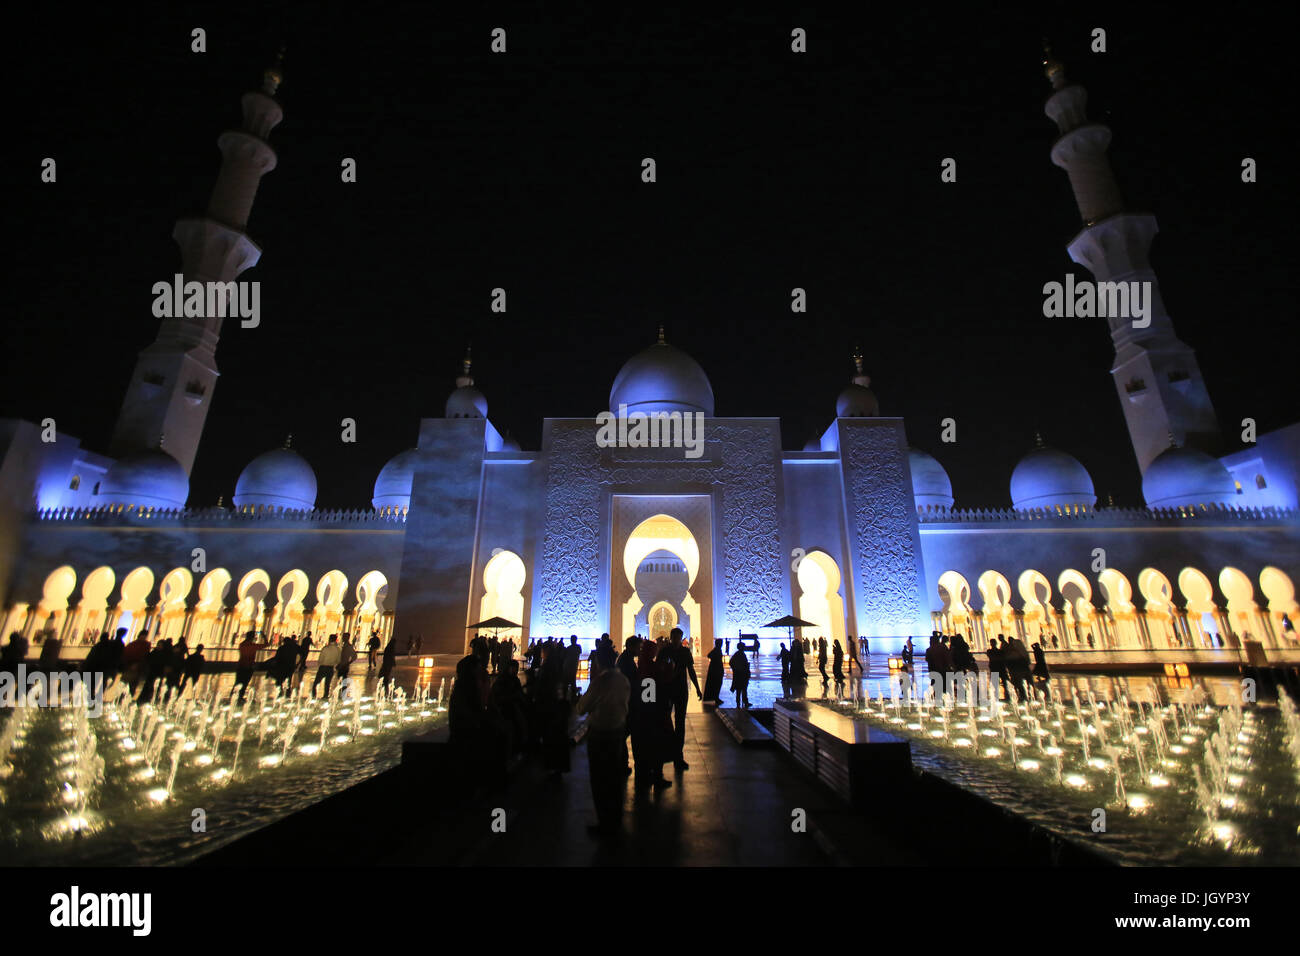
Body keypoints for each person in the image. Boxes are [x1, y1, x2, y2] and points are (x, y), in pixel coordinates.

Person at [576, 645, 631, 835]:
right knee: (614, 779)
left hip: (600, 735)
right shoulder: (622, 680)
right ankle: (615, 819)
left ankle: (604, 821)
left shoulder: (600, 682)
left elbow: (581, 707)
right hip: (617, 732)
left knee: (600, 779)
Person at [660, 627, 701, 770]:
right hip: (667, 690)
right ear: (671, 637)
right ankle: (665, 754)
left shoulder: (684, 652)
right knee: (665, 722)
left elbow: (691, 670)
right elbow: (658, 670)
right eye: (674, 637)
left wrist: (697, 688)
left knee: (680, 723)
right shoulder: (665, 651)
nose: (676, 640)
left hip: (681, 690)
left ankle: (678, 756)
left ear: (681, 638)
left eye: (678, 637)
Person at [234, 631, 265, 703]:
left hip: (241, 666)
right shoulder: (253, 646)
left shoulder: (242, 644)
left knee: (238, 681)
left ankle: (234, 696)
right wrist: (264, 637)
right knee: (245, 683)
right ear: (252, 637)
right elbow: (266, 644)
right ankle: (240, 697)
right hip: (249, 667)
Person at [313, 634, 342, 698]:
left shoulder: (325, 648)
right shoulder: (338, 650)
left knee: (316, 683)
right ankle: (325, 696)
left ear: (330, 639)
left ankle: (313, 695)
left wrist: (320, 664)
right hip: (331, 668)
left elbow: (320, 659)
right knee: (327, 684)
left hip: (323, 667)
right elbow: (338, 660)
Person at [702, 640, 725, 705]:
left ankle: (716, 697)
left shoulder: (716, 650)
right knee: (717, 684)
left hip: (715, 669)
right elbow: (709, 655)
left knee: (716, 684)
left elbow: (709, 655)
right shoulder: (717, 650)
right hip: (716, 670)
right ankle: (716, 698)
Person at [729, 644, 751, 709]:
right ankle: (744, 702)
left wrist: (735, 668)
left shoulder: (738, 654)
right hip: (741, 674)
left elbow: (731, 662)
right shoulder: (741, 654)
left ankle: (739, 703)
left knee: (739, 689)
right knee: (743, 689)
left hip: (739, 674)